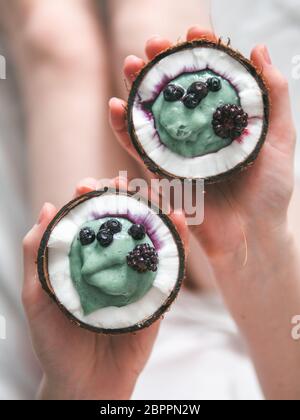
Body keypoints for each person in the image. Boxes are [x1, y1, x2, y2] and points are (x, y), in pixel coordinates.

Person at [23, 23, 300, 399]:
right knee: (143, 28)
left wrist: (82, 388)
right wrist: (256, 235)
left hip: (97, 336)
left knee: (56, 48)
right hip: (263, 295)